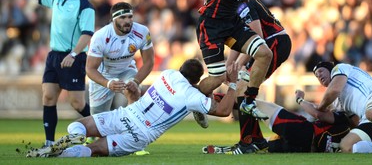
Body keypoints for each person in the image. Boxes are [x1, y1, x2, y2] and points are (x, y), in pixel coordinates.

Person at [26, 59, 239, 158]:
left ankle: (65, 142)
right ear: (196, 80)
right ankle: (62, 156)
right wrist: (233, 84)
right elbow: (223, 111)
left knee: (79, 125)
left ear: (180, 69)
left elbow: (197, 88)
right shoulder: (191, 95)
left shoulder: (167, 74)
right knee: (95, 150)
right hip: (140, 134)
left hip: (128, 113)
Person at [196, 0, 299, 120]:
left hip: (231, 23)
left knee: (264, 53)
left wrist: (234, 63)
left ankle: (249, 100)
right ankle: (194, 100)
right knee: (218, 78)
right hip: (211, 25)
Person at [5, 0, 95, 147]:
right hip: (54, 57)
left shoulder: (85, 6)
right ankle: (49, 143)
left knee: (77, 104)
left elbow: (87, 34)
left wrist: (73, 54)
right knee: (48, 97)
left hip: (74, 58)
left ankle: (101, 128)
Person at [223, 0, 292, 153]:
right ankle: (256, 140)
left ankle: (247, 142)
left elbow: (257, 36)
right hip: (268, 44)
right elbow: (240, 41)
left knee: (242, 87)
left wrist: (237, 65)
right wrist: (229, 66)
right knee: (243, 89)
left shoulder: (241, 4)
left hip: (273, 42)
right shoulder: (234, 5)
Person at [204, 91, 354, 154]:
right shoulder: (351, 137)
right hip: (303, 148)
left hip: (304, 132)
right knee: (259, 147)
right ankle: (227, 150)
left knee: (252, 104)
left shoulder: (343, 120)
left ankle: (209, 101)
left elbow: (317, 114)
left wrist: (300, 99)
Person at [312, 61, 372, 153]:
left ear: (329, 69)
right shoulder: (336, 102)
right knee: (346, 146)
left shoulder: (339, 68)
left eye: (321, 71)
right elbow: (354, 122)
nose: (319, 76)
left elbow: (334, 90)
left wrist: (320, 107)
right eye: (317, 76)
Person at [86, 1, 154, 115]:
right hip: (103, 75)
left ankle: (130, 125)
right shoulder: (100, 36)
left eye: (130, 17)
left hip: (126, 70)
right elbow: (90, 69)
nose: (127, 21)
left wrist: (136, 81)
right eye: (122, 17)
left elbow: (149, 62)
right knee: (98, 121)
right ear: (113, 19)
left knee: (134, 91)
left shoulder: (142, 32)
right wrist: (107, 83)